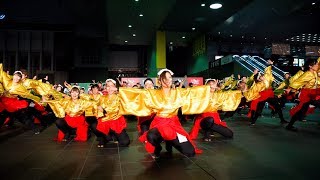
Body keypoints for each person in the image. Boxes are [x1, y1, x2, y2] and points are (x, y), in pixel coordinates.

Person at [92, 79, 130, 147]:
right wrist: (97, 109)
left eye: (112, 86)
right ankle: (103, 138)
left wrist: (103, 110)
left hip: (116, 121)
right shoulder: (102, 98)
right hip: (105, 120)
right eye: (108, 86)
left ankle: (113, 136)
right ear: (106, 87)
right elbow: (95, 108)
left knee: (125, 142)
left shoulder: (119, 97)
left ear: (115, 87)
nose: (110, 88)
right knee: (94, 126)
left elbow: (115, 109)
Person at [285, 58, 320, 131]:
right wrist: (290, 88)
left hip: (313, 93)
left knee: (302, 111)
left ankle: (289, 125)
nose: (317, 65)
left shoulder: (315, 72)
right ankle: (289, 126)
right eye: (316, 64)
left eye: (317, 64)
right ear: (310, 66)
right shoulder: (307, 74)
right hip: (307, 94)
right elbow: (298, 82)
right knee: (301, 110)